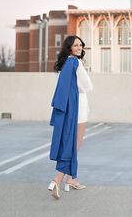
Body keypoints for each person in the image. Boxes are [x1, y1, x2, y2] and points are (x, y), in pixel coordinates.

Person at [47, 35, 93, 199]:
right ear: (70, 48)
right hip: (78, 107)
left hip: (71, 106)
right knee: (74, 145)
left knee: (72, 143)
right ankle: (57, 179)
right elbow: (87, 85)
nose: (79, 48)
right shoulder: (76, 62)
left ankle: (72, 179)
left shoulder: (66, 63)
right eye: (75, 45)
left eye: (81, 45)